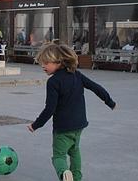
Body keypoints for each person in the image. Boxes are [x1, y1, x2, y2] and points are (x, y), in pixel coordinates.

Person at [27, 44, 116, 181]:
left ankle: (64, 174)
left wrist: (35, 125)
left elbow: (50, 108)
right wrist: (109, 102)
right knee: (74, 151)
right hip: (79, 124)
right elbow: (95, 87)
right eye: (41, 63)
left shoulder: (53, 82)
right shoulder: (77, 75)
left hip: (63, 128)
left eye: (46, 63)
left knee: (59, 155)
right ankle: (77, 177)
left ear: (58, 62)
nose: (43, 66)